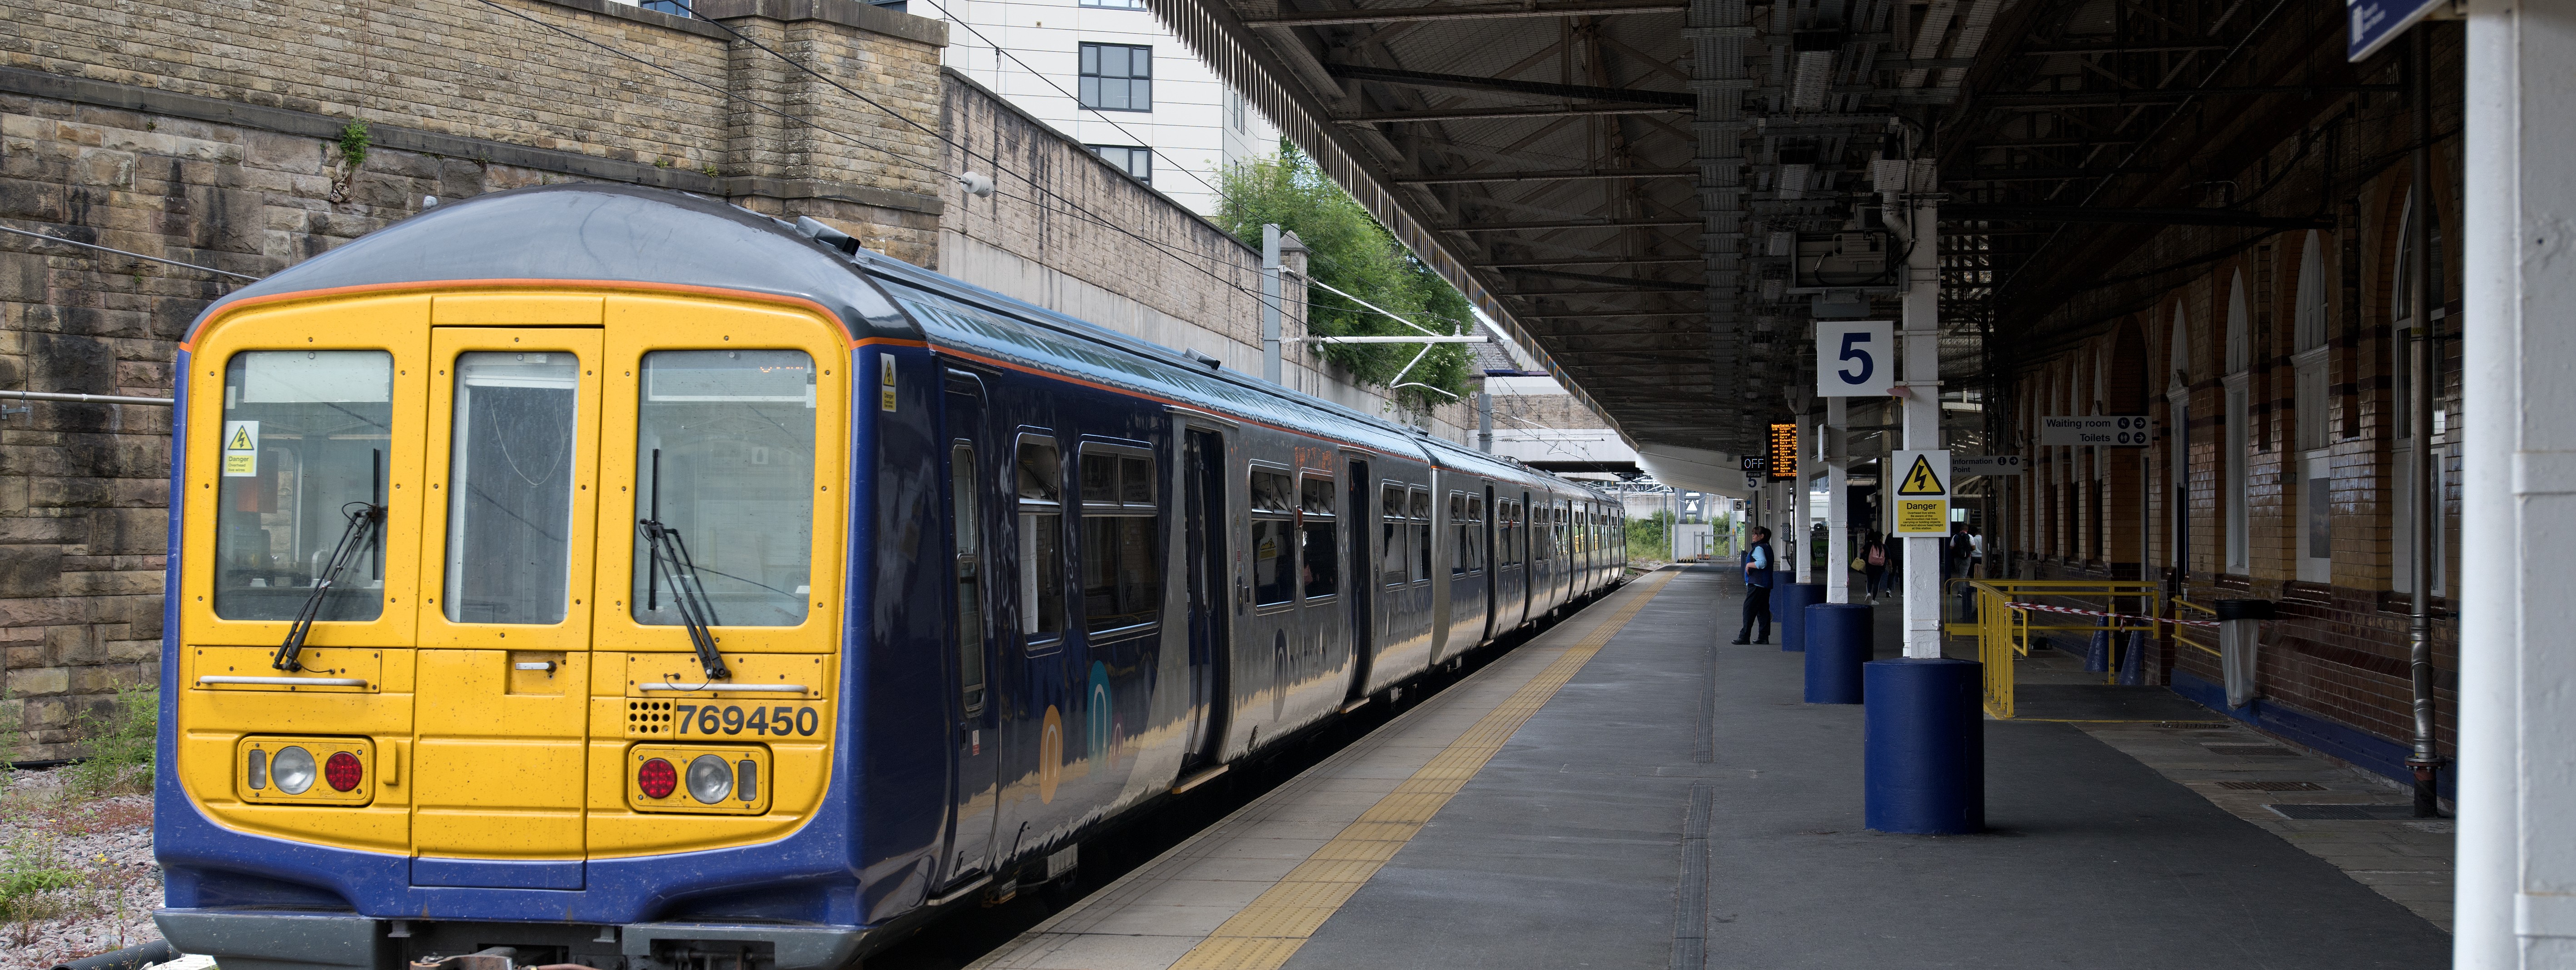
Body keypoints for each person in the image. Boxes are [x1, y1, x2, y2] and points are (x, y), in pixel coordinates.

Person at [1732, 526, 1774, 645]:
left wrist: (1749, 565)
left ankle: (1745, 636)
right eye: (1754, 533)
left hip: (1757, 584)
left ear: (1762, 536)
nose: (1754, 536)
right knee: (1763, 610)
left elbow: (1762, 563)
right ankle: (1763, 636)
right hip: (1766, 584)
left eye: (1757, 534)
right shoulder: (1767, 547)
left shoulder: (1759, 548)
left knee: (1748, 609)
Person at [1863, 533, 1888, 602]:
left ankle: (1868, 594)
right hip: (1880, 568)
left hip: (1870, 566)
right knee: (1877, 583)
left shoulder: (1870, 544)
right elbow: (1889, 558)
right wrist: (1891, 567)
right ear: (1881, 539)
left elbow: (1862, 551)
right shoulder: (1884, 547)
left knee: (1869, 581)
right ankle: (1874, 600)